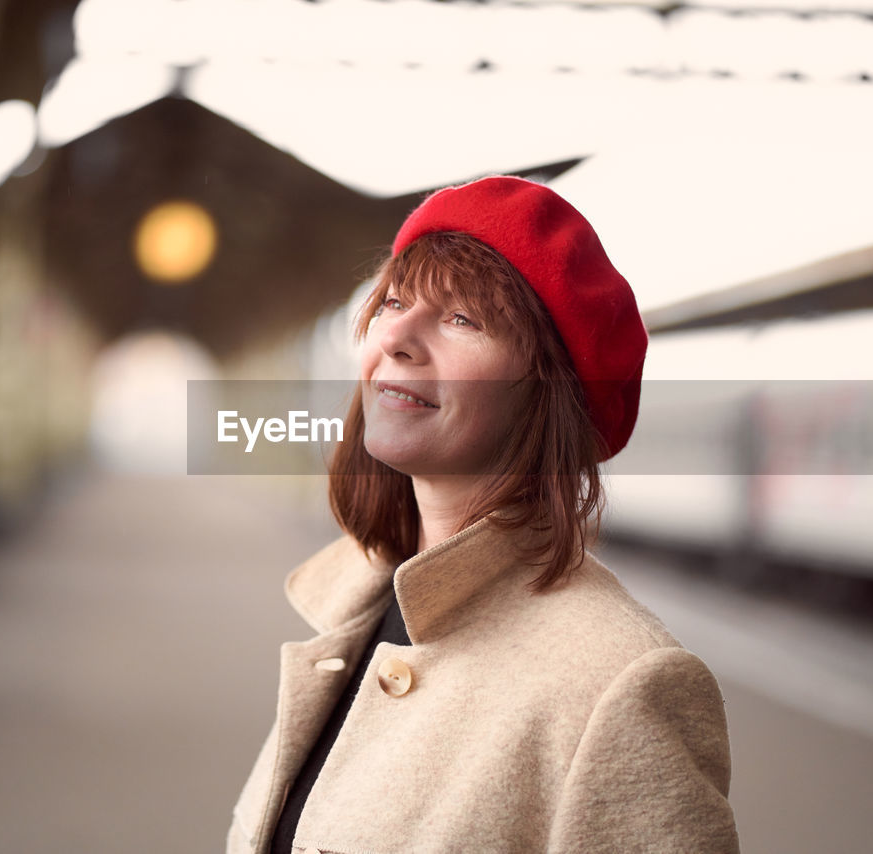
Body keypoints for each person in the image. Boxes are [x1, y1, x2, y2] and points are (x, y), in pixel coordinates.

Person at [227, 176, 739, 854]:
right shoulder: (353, 609)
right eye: (394, 302)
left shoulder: (622, 687)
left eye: (462, 318)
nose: (399, 337)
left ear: (545, 394)